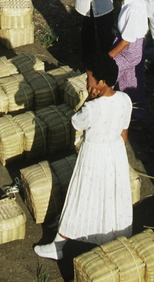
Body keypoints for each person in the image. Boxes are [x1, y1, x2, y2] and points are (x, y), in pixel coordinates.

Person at [34, 53, 133, 259]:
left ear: (101, 82)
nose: (87, 83)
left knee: (81, 196)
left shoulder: (92, 107)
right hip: (115, 155)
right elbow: (124, 134)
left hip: (94, 156)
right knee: (110, 198)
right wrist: (115, 155)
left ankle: (58, 245)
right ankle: (113, 242)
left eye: (89, 78)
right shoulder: (125, 100)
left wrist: (89, 98)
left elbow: (75, 123)